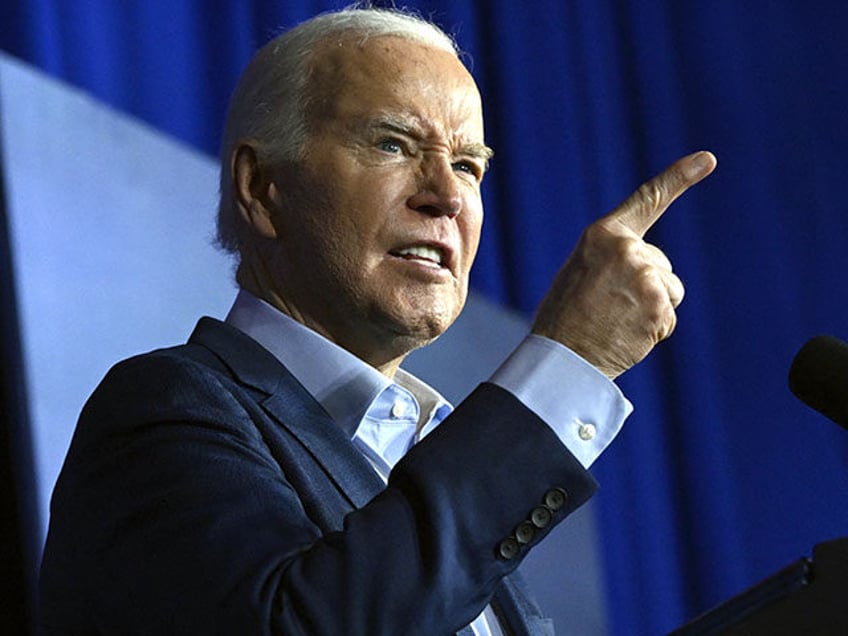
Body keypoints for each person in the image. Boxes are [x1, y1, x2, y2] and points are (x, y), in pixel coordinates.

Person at [38, 6, 716, 635]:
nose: (447, 195)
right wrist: (569, 362)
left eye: (467, 164)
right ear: (262, 188)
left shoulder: (429, 454)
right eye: (393, 144)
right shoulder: (164, 410)